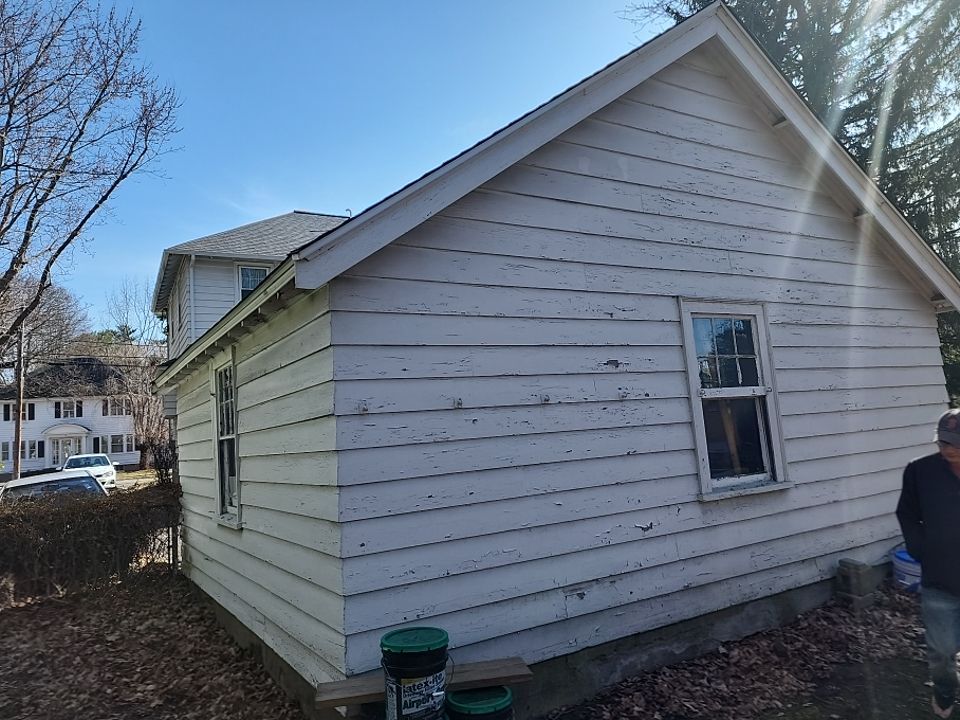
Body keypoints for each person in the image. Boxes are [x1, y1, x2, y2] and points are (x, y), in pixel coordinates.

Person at [897, 408, 960, 718]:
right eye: (944, 442)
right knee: (942, 650)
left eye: (956, 443)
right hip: (940, 580)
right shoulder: (919, 471)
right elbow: (907, 513)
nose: (948, 449)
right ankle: (945, 691)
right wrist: (921, 549)